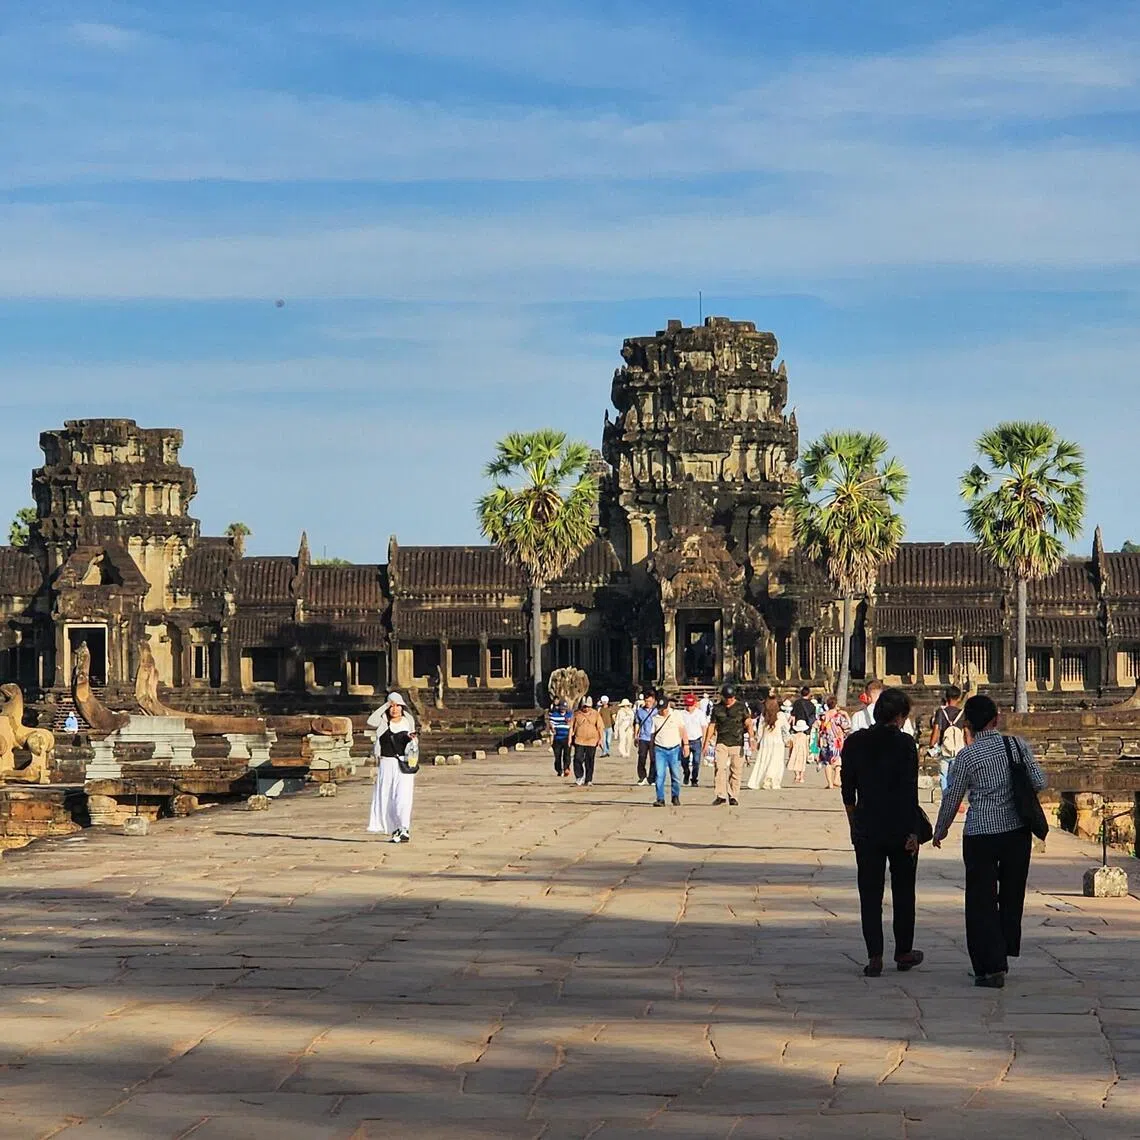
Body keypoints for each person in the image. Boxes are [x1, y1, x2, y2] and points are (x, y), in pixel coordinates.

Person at [932, 694, 1047, 989]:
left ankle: (989, 965)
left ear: (968, 722)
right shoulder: (1016, 745)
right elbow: (1039, 782)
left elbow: (952, 796)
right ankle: (1004, 953)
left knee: (980, 899)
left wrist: (940, 829)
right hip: (1015, 831)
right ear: (996, 719)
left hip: (980, 833)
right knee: (1011, 895)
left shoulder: (966, 757)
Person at [840, 687, 925, 977]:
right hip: (900, 827)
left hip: (867, 825)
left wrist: (854, 825)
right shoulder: (904, 744)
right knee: (903, 892)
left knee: (870, 893)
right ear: (900, 716)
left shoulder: (854, 742)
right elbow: (909, 792)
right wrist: (914, 831)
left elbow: (848, 792)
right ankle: (903, 950)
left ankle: (874, 955)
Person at [367, 692, 418, 844]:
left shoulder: (408, 721)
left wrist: (412, 739)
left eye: (398, 706)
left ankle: (404, 828)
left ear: (403, 707)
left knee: (403, 797)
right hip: (386, 763)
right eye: (392, 706)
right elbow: (371, 721)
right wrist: (386, 705)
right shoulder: (383, 722)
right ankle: (394, 827)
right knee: (387, 797)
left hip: (403, 763)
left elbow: (413, 742)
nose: (395, 709)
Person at [703, 684, 753, 806]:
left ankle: (733, 795)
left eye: (731, 698)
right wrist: (705, 743)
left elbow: (748, 722)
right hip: (721, 742)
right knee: (719, 767)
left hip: (737, 741)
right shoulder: (717, 708)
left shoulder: (741, 707)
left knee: (736, 770)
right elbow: (712, 725)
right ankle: (720, 795)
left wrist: (751, 737)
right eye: (727, 698)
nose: (729, 700)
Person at [650, 692, 689, 807]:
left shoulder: (676, 715)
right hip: (660, 749)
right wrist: (651, 751)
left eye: (664, 709)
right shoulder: (655, 718)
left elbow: (682, 730)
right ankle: (660, 798)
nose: (663, 712)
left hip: (674, 749)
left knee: (676, 775)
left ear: (668, 706)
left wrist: (685, 744)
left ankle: (675, 796)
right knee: (660, 775)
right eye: (660, 709)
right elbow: (652, 735)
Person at [746, 696, 789, 790]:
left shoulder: (764, 715)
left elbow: (760, 730)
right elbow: (785, 729)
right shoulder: (781, 715)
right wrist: (787, 740)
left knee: (764, 760)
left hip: (766, 741)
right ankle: (772, 781)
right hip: (777, 741)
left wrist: (757, 740)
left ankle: (763, 780)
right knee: (776, 761)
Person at [930, 685, 966, 791]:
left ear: (946, 697)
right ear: (959, 698)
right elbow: (966, 732)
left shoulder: (941, 712)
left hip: (945, 748)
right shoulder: (962, 713)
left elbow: (936, 729)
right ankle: (952, 799)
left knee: (943, 776)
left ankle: (945, 798)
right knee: (954, 777)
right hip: (958, 750)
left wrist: (932, 744)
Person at [568, 697, 604, 787]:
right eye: (584, 707)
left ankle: (588, 779)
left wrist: (600, 739)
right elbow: (571, 727)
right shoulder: (577, 714)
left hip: (592, 741)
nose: (586, 709)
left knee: (590, 760)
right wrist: (569, 739)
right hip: (579, 740)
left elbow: (600, 727)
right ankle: (579, 777)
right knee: (578, 758)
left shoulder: (596, 714)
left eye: (588, 707)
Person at [818, 696, 852, 790]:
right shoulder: (838, 716)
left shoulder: (823, 716)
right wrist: (846, 715)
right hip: (837, 741)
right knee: (838, 761)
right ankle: (836, 778)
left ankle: (830, 783)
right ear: (836, 705)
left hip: (825, 741)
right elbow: (847, 726)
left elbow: (819, 727)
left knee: (827, 762)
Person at [680, 693, 708, 787]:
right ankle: (686, 773)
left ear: (694, 704)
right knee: (684, 761)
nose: (689, 707)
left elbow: (704, 727)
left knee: (696, 761)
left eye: (691, 705)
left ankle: (694, 779)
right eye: (687, 705)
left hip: (696, 740)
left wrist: (704, 741)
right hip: (685, 741)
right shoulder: (682, 714)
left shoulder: (699, 713)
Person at [634, 692, 658, 786]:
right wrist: (636, 736)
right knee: (642, 757)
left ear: (653, 701)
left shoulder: (657, 711)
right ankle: (642, 776)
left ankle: (652, 778)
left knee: (654, 759)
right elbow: (637, 723)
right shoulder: (640, 711)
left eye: (650, 701)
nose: (648, 703)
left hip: (653, 737)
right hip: (643, 737)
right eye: (646, 701)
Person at [546, 699, 573, 779]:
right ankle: (559, 770)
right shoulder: (554, 715)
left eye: (564, 708)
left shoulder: (569, 715)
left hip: (566, 737)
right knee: (557, 756)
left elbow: (571, 726)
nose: (563, 709)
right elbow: (551, 724)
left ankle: (566, 768)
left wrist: (570, 739)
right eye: (561, 707)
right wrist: (552, 728)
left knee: (567, 755)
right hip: (557, 738)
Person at [787, 719, 811, 784]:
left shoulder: (793, 736)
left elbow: (791, 745)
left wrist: (790, 752)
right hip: (803, 751)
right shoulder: (805, 736)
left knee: (795, 763)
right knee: (802, 764)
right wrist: (808, 753)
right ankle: (802, 777)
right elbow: (807, 745)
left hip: (795, 750)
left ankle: (797, 775)